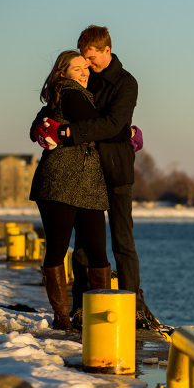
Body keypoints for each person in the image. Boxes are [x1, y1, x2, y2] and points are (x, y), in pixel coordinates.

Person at [31, 25, 159, 329]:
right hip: (86, 173)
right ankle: (81, 306)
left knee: (122, 241)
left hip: (114, 170)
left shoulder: (125, 84)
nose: (88, 65)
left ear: (106, 51)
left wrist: (67, 132)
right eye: (83, 60)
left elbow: (114, 124)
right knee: (86, 246)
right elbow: (54, 105)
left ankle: (133, 306)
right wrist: (41, 126)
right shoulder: (80, 80)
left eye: (90, 58)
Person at [29, 50, 114, 331]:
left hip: (82, 182)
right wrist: (127, 131)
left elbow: (39, 124)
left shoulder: (62, 95)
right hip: (62, 182)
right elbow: (103, 125)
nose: (84, 72)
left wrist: (39, 129)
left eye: (85, 68)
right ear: (62, 73)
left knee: (75, 250)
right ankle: (74, 318)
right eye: (76, 68)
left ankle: (68, 318)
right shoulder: (71, 94)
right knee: (87, 251)